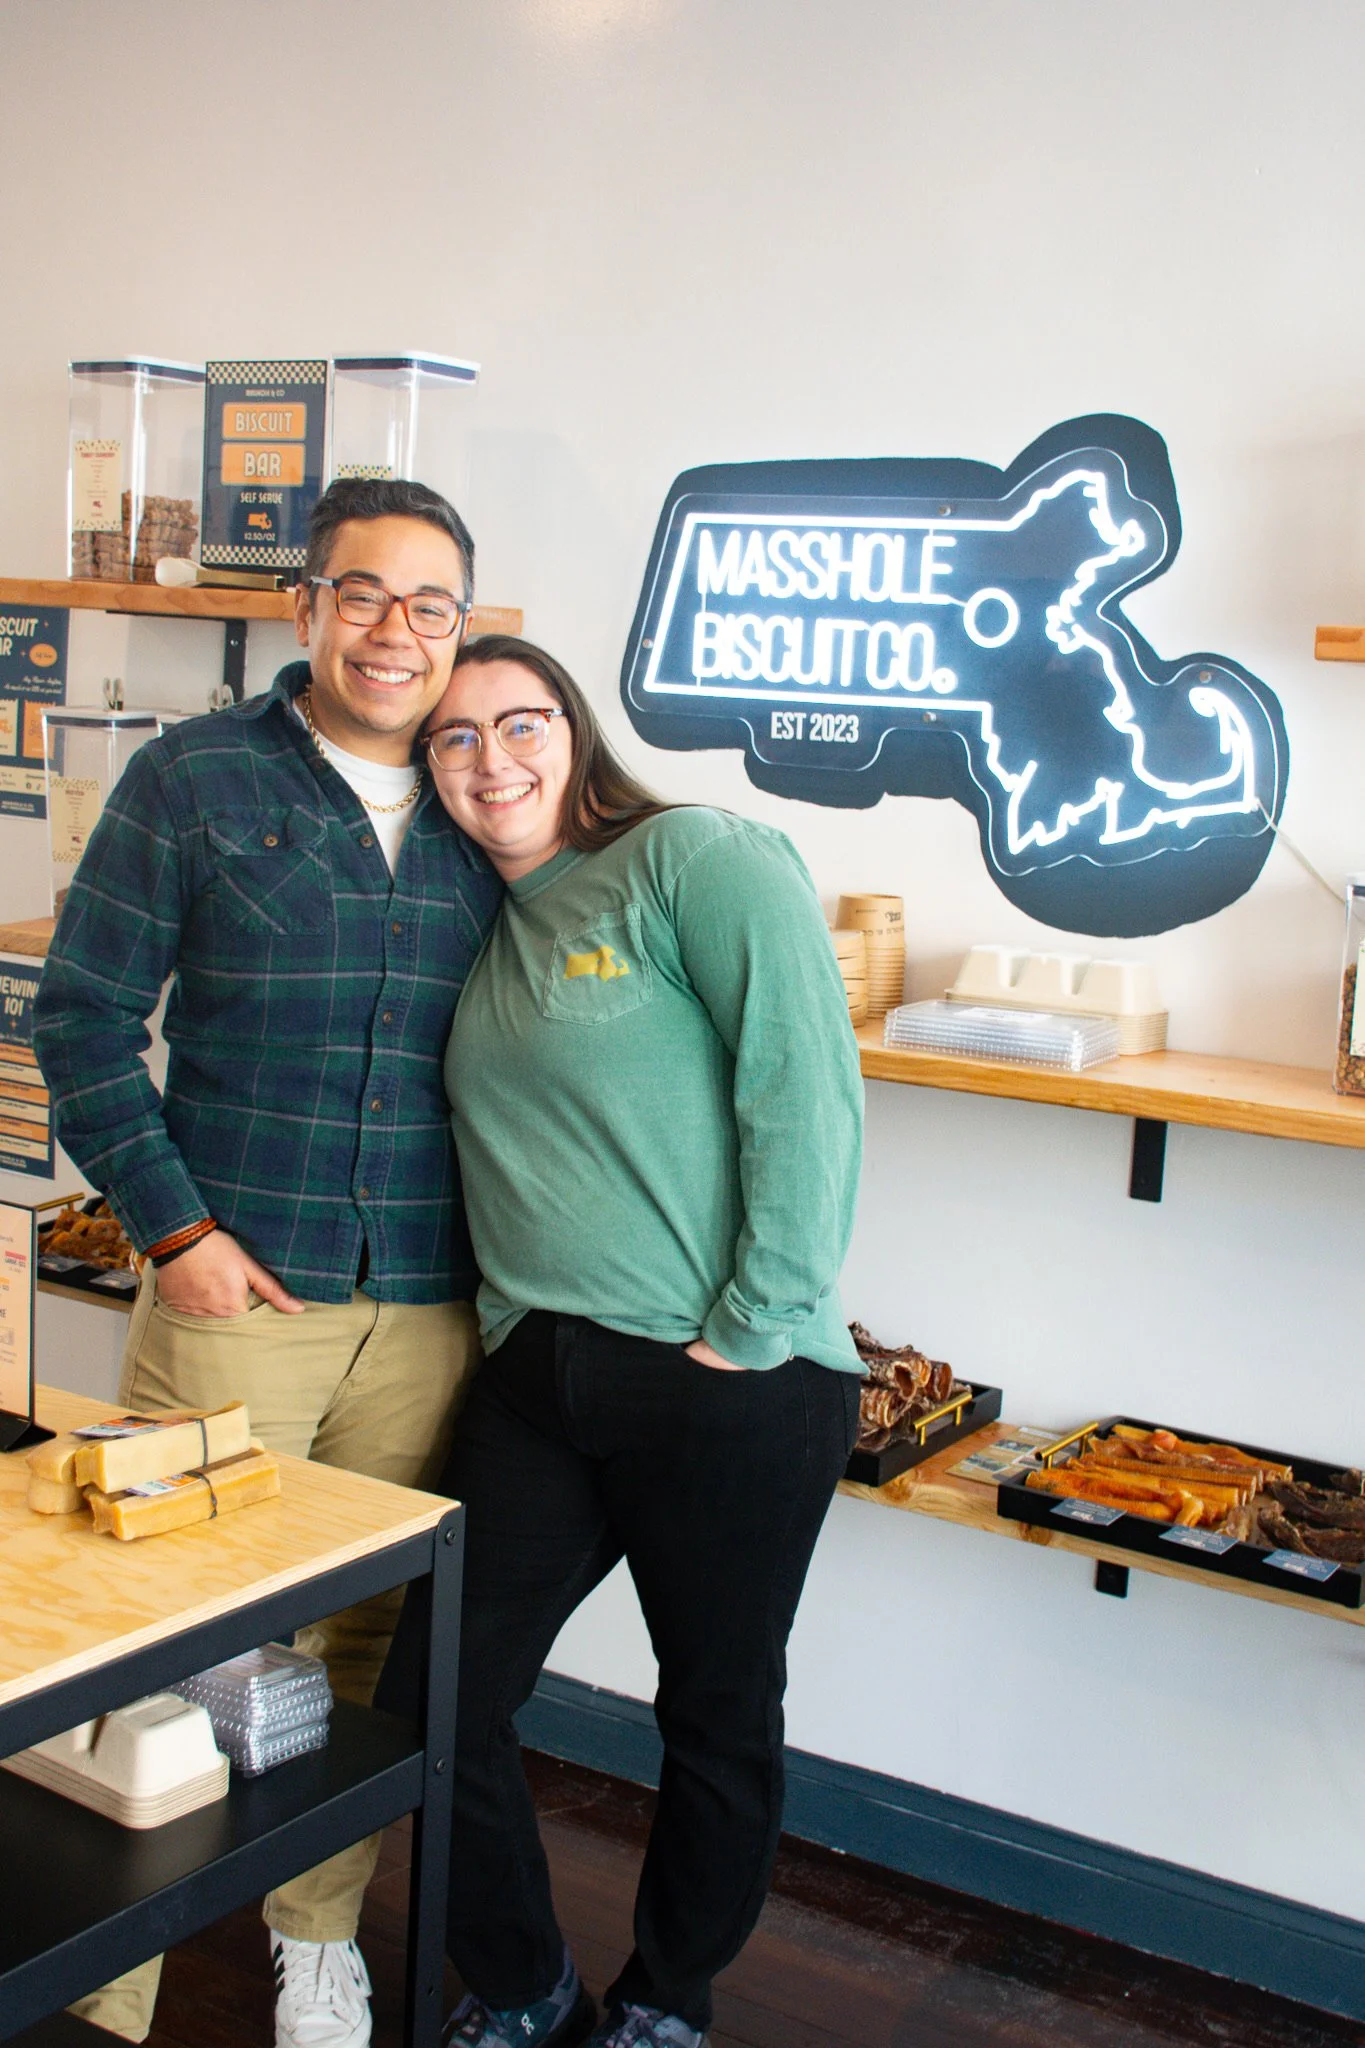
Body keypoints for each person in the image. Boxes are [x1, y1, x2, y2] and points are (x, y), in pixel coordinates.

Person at [34, 478, 503, 2048]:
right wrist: (179, 1232)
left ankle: (317, 1941)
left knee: (362, 1652)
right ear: (303, 609)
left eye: (430, 607)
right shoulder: (193, 780)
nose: (395, 633)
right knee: (161, 1636)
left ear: (463, 631)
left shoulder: (484, 796)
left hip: (431, 1302)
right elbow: (80, 1021)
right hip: (238, 1300)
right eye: (362, 595)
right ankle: (111, 1990)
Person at [382, 634, 865, 2048]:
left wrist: (756, 1325)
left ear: (574, 734)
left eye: (519, 725)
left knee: (714, 1714)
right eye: (453, 741)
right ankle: (524, 1979)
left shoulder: (695, 858)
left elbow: (805, 1088)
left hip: (731, 1379)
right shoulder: (490, 921)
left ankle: (667, 1999)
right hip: (539, 1380)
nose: (491, 762)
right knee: (436, 1700)